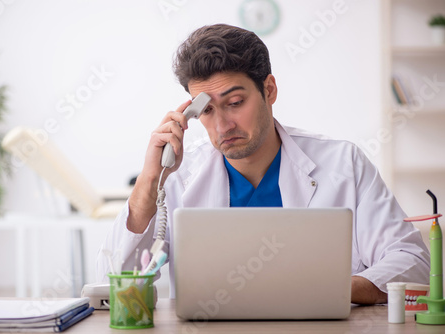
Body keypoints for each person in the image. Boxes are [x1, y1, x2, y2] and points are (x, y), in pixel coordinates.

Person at [97, 24, 430, 305]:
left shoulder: (344, 163)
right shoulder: (178, 175)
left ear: (269, 90)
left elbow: (412, 262)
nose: (223, 125)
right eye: (207, 111)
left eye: (235, 103)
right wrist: (151, 177)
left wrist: (332, 291)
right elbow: (115, 282)